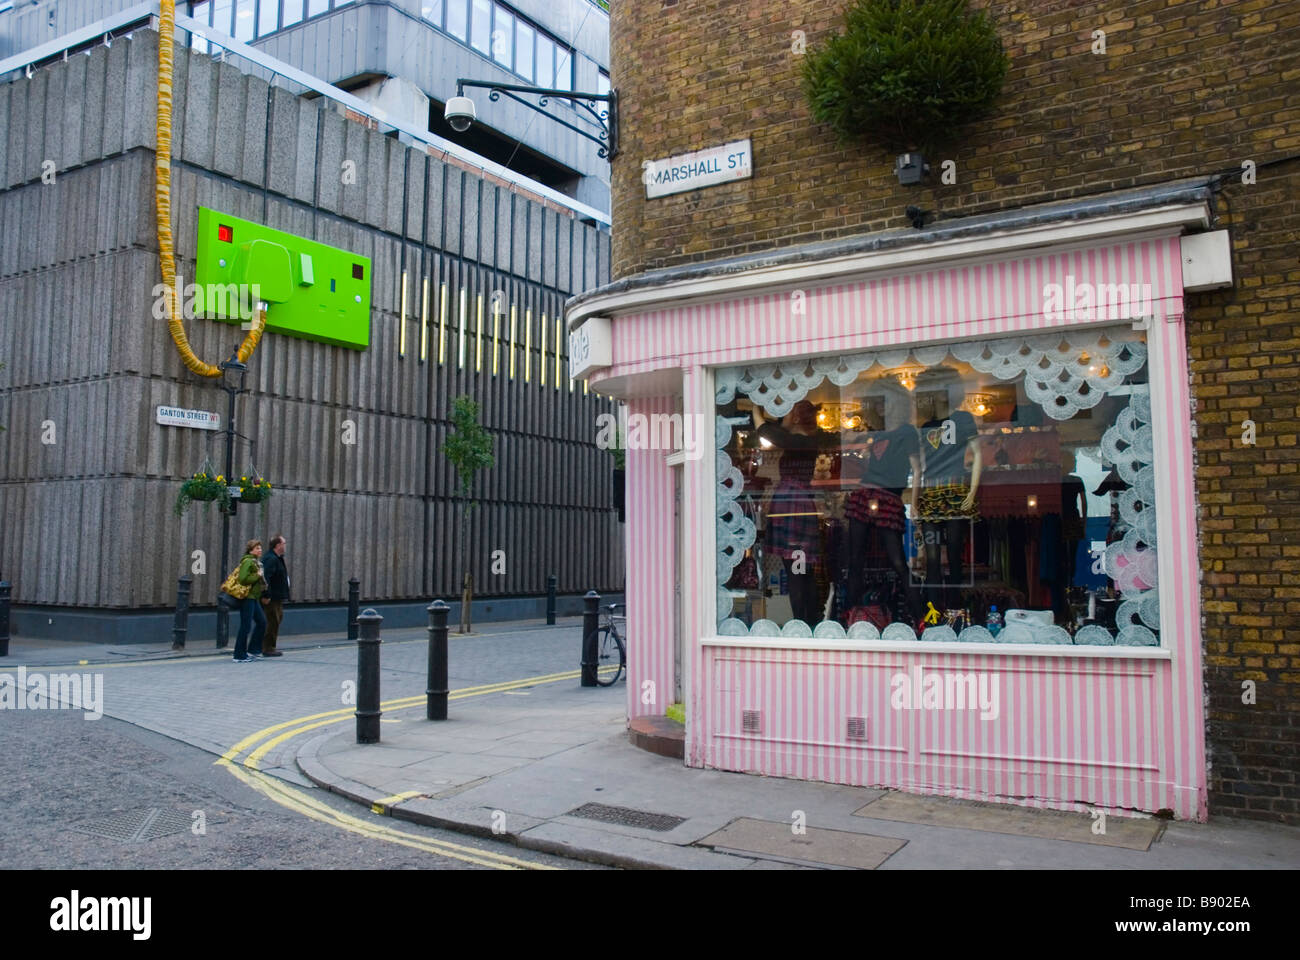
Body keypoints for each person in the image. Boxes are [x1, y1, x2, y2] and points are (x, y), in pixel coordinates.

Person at [232, 539, 267, 663]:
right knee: (245, 626)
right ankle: (239, 655)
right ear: (251, 550)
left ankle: (253, 650)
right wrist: (257, 575)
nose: (260, 550)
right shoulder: (248, 561)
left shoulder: (255, 562)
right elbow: (242, 579)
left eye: (260, 548)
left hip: (254, 597)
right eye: (257, 548)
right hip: (247, 598)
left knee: (262, 622)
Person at [261, 534, 290, 656]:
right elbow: (265, 577)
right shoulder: (272, 559)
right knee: (272, 621)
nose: (285, 546)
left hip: (276, 596)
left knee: (275, 620)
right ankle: (268, 648)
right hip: (271, 598)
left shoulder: (276, 558)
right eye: (284, 543)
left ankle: (266, 646)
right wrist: (266, 595)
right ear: (278, 545)